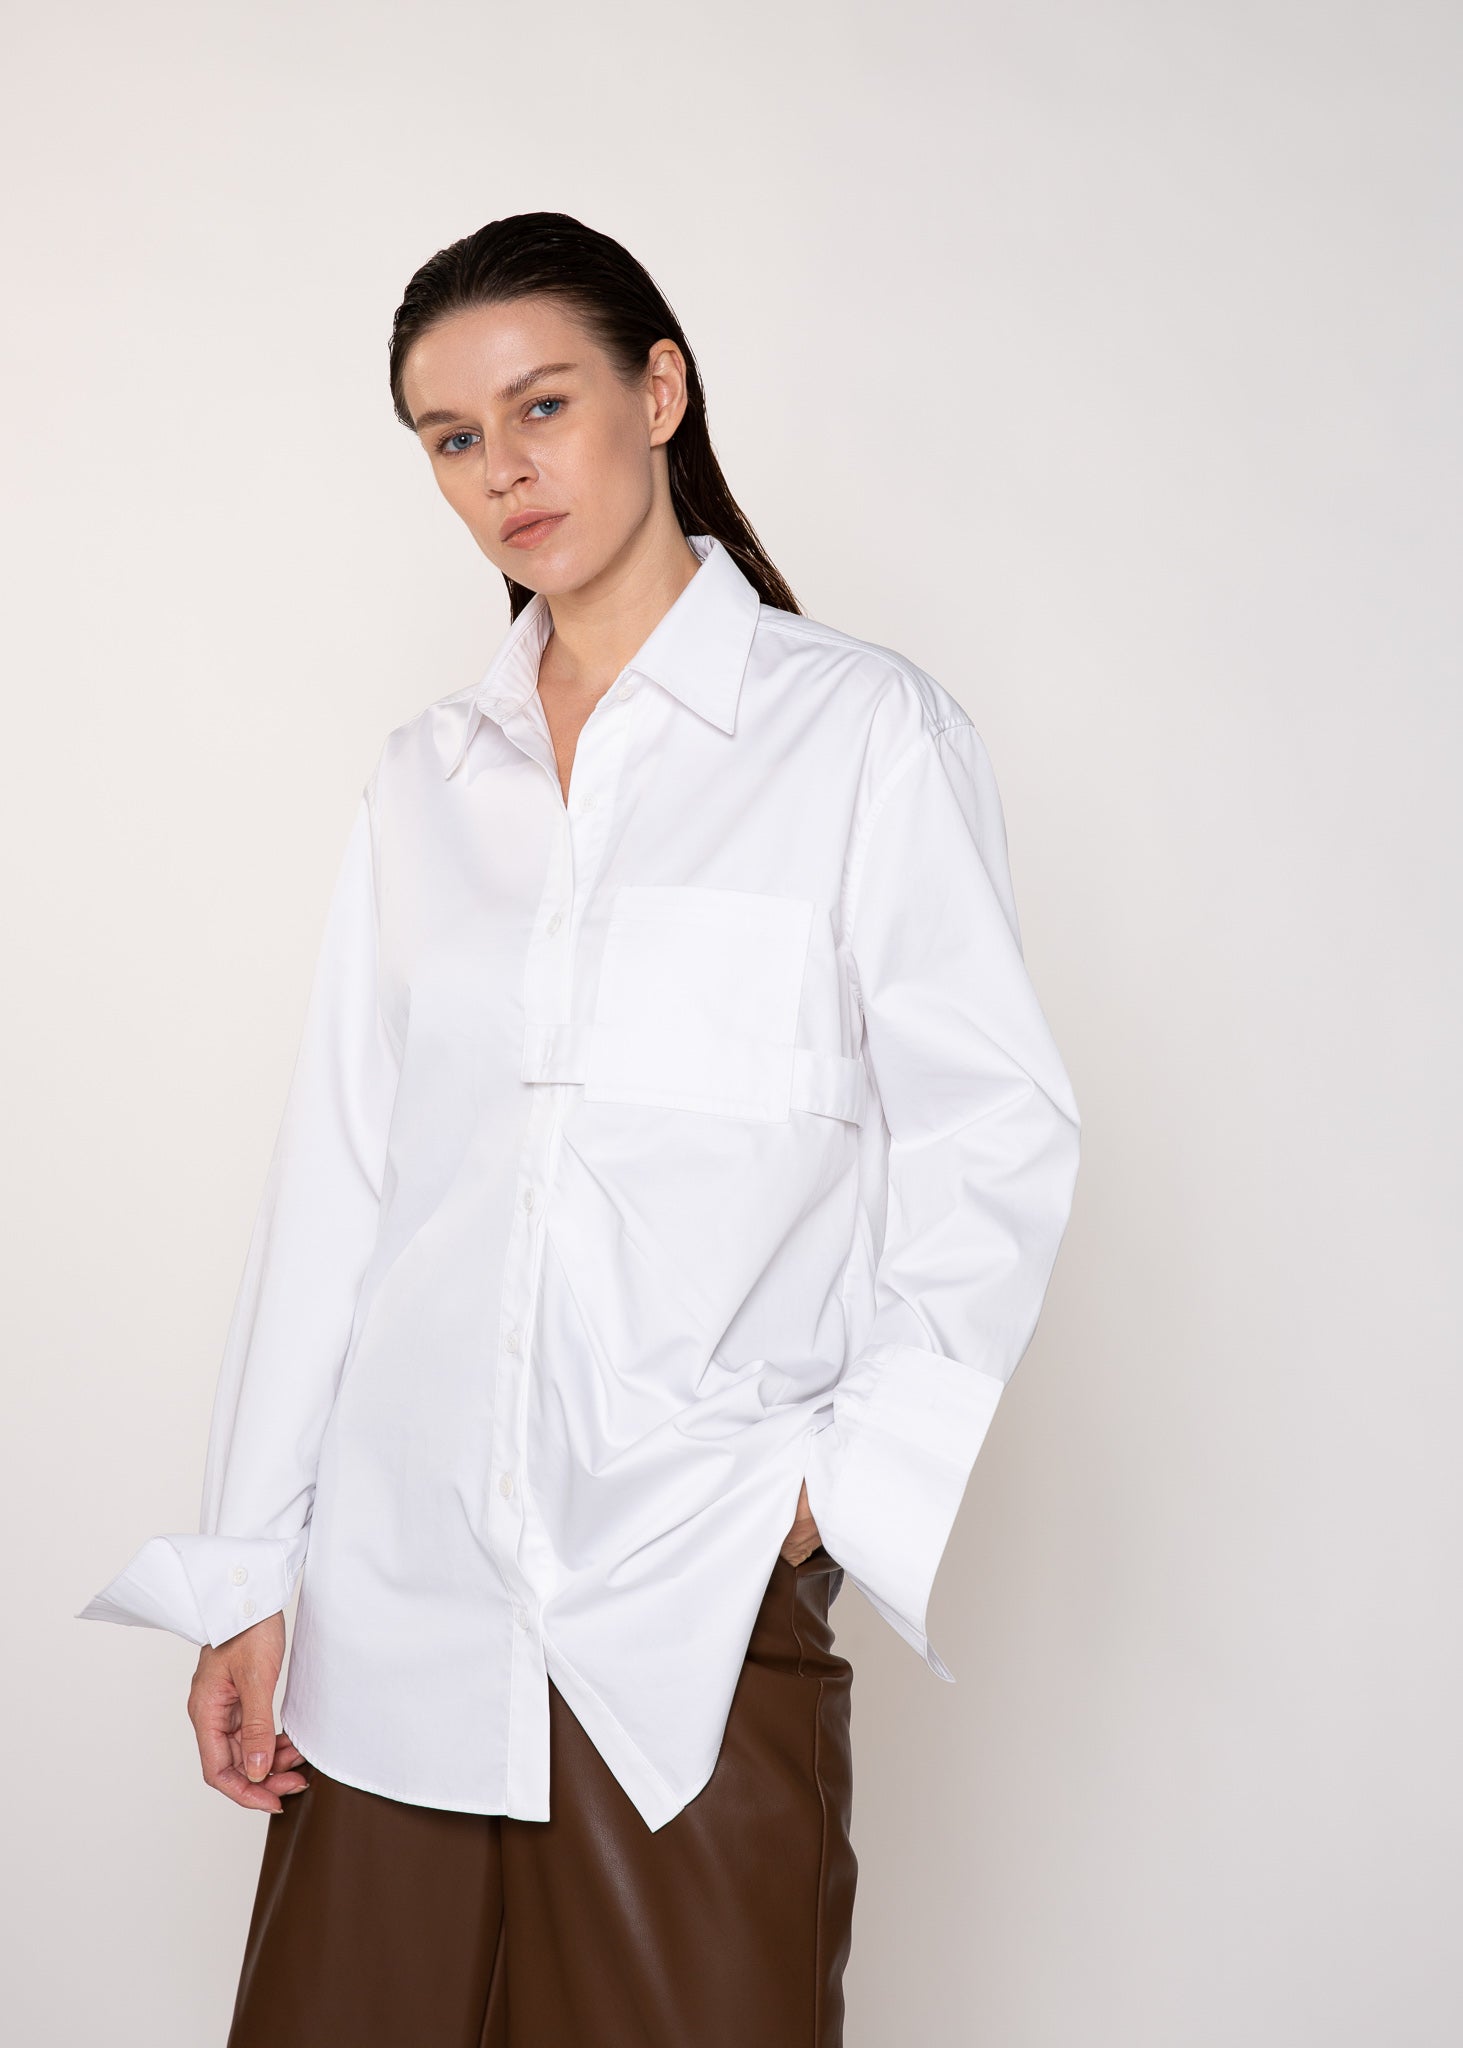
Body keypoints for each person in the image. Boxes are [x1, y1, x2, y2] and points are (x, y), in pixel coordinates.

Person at [77, 210, 1082, 2047]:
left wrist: (826, 1496)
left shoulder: (862, 740)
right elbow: (342, 1189)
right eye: (451, 437)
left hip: (684, 1616)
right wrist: (248, 1570)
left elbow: (991, 1141)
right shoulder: (425, 780)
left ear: (660, 391)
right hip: (390, 1619)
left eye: (542, 404)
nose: (503, 469)